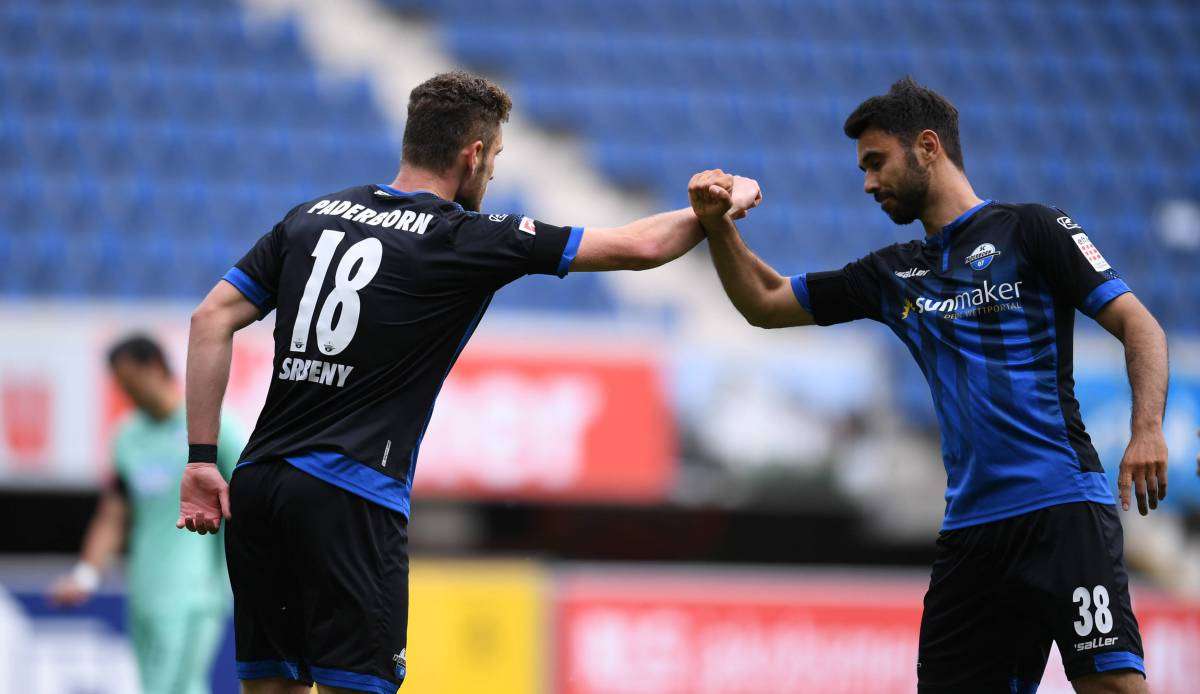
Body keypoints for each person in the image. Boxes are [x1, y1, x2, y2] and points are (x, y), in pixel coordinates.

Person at [177, 70, 760, 694]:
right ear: (473, 155)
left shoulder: (308, 218)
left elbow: (211, 316)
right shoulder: (466, 236)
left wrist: (202, 459)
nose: (493, 175)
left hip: (260, 486)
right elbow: (639, 247)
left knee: (272, 687)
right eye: (496, 158)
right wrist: (719, 205)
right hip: (351, 494)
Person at [692, 77, 1169, 694]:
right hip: (971, 534)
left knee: (1112, 688)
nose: (867, 183)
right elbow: (766, 300)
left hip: (1060, 509)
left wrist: (1147, 428)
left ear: (927, 147)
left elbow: (1140, 324)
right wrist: (717, 227)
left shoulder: (1032, 230)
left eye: (876, 162)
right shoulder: (894, 273)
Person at [49, 334, 244, 694]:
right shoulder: (127, 437)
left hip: (197, 590)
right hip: (143, 589)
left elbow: (247, 498)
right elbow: (113, 515)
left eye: (128, 381)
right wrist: (86, 574)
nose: (125, 392)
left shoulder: (214, 430)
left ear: (154, 367)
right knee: (158, 687)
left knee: (180, 686)